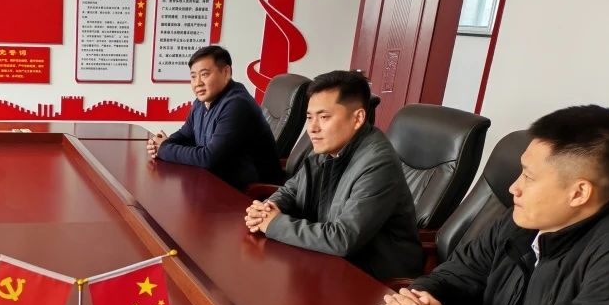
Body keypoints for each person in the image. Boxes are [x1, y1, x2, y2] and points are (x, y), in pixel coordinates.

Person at [379, 105, 609, 305]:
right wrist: (416, 303)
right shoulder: (521, 221)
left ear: (579, 193)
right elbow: (457, 274)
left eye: (528, 177)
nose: (514, 187)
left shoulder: (606, 254)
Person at [245, 70, 422, 279]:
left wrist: (274, 224)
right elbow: (292, 189)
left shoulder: (378, 164)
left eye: (324, 117)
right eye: (309, 117)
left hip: (373, 277)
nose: (312, 128)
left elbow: (343, 239)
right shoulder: (327, 147)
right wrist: (267, 208)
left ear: (358, 118)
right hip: (327, 259)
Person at [147, 45, 284, 189]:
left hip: (248, 193)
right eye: (193, 76)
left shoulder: (237, 105)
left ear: (226, 72)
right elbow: (186, 134)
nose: (197, 83)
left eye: (204, 74)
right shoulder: (201, 102)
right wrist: (160, 144)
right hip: (215, 183)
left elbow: (208, 158)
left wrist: (164, 149)